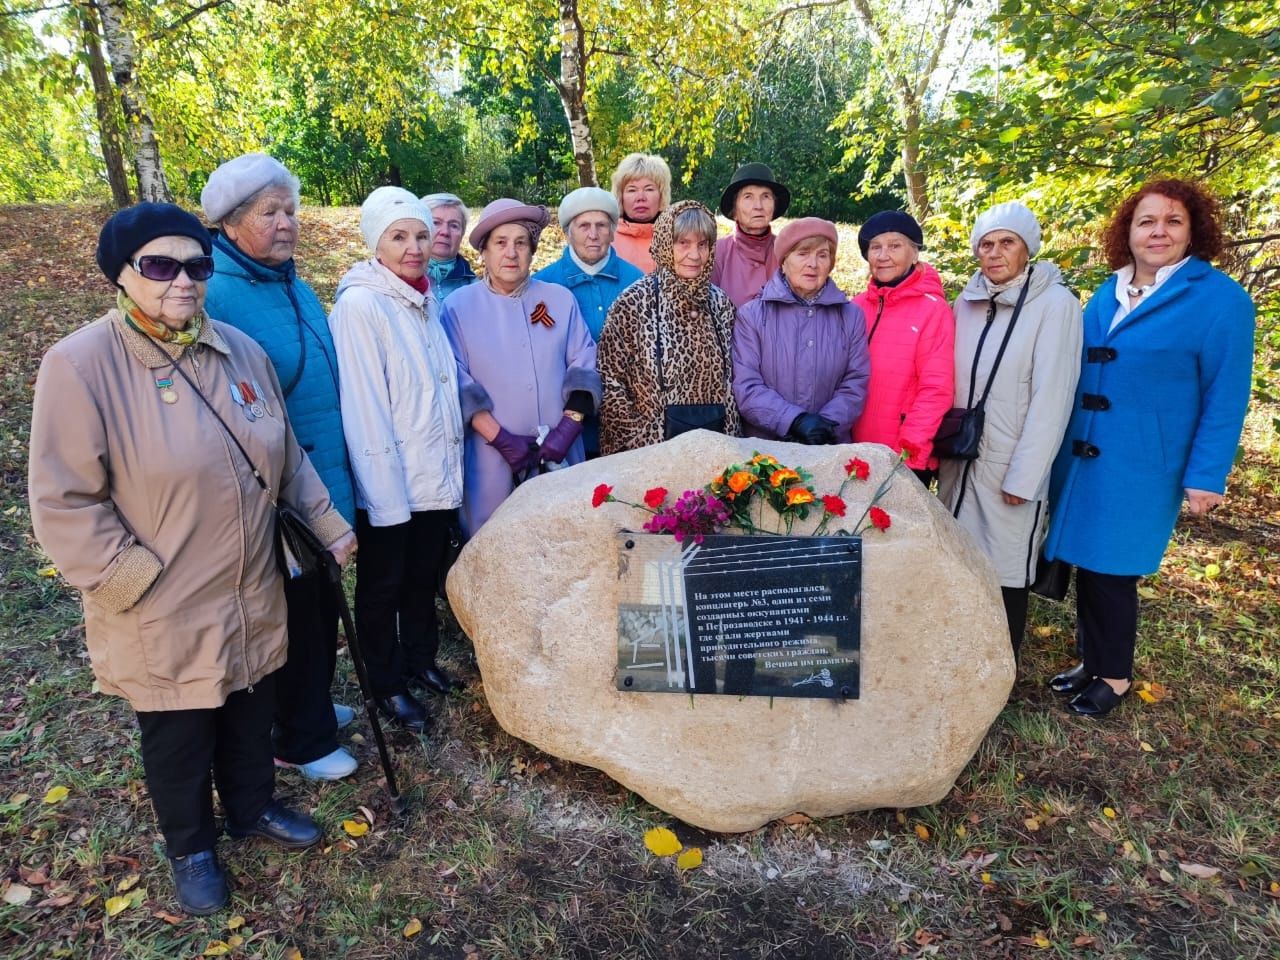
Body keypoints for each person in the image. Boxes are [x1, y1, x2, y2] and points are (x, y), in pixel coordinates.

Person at [28, 203, 355, 916]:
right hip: (162, 599)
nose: (182, 280)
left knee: (250, 705)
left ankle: (251, 807)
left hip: (252, 582)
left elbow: (286, 456)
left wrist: (328, 524)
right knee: (178, 731)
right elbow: (62, 499)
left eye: (196, 265)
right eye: (160, 265)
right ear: (121, 274)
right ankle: (191, 847)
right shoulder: (80, 366)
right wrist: (129, 578)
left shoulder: (240, 351)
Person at [1044, 179, 1254, 717]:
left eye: (1173, 221)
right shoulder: (1107, 289)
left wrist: (1207, 474)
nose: (1159, 231)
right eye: (1147, 221)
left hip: (1144, 462)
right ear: (1129, 231)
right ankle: (1092, 661)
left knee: (1113, 569)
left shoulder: (1221, 300)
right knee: (1086, 561)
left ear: (1193, 230)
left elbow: (1226, 395)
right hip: (1082, 456)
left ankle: (1113, 677)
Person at [200, 152, 358, 783]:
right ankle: (299, 738)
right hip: (275, 485)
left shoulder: (290, 280)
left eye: (290, 210)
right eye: (270, 212)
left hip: (322, 471)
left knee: (320, 602)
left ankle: (309, 707)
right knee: (292, 611)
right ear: (231, 223)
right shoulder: (215, 292)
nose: (287, 223)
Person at [329, 187, 466, 733]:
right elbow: (365, 407)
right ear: (376, 243)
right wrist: (384, 498)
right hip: (391, 479)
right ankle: (384, 683)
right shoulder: (362, 305)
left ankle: (419, 659)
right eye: (399, 237)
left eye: (421, 236)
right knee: (383, 586)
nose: (414, 248)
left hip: (433, 471)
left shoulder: (426, 300)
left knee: (421, 576)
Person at [936, 201, 1082, 656]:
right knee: (958, 563)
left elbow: (1053, 398)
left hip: (1008, 464)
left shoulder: (1055, 305)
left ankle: (1002, 667)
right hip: (960, 458)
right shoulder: (966, 302)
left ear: (1027, 248)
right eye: (986, 244)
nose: (995, 253)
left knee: (1005, 571)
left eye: (1007, 242)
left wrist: (1026, 476)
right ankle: (961, 658)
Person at [441, 198, 601, 533]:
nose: (511, 253)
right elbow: (456, 380)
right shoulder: (457, 308)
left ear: (532, 250)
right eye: (500, 243)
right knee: (494, 542)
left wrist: (568, 429)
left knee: (565, 539)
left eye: (521, 243)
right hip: (490, 458)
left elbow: (584, 363)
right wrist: (500, 438)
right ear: (484, 251)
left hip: (559, 456)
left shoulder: (559, 299)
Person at [598, 199, 741, 453]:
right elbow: (610, 379)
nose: (694, 255)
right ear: (665, 243)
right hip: (651, 452)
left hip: (715, 449)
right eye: (683, 243)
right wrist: (641, 439)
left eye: (702, 244)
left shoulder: (721, 303)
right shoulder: (633, 302)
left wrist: (728, 440)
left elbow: (732, 379)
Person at [733, 218, 870, 442]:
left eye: (822, 255)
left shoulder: (851, 316)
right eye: (803, 253)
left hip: (829, 446)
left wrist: (825, 426)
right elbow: (747, 386)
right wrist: (794, 421)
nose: (813, 264)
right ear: (784, 261)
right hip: (767, 451)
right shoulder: (752, 316)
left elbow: (855, 382)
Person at [534, 186, 643, 457]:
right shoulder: (542, 285)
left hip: (628, 426)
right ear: (568, 231)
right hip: (564, 426)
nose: (593, 234)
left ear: (613, 231)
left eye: (601, 225)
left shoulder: (637, 281)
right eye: (584, 226)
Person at [850, 210, 955, 484]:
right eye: (875, 247)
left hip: (903, 456)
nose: (883, 255)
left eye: (895, 246)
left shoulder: (933, 310)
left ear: (915, 252)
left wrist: (909, 453)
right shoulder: (855, 307)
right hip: (854, 451)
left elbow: (936, 389)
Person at [710, 162, 791, 308]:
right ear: (734, 210)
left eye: (766, 196)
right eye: (748, 197)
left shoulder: (787, 252)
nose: (758, 206)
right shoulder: (717, 253)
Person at [610, 152, 671, 274]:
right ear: (620, 196)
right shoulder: (606, 239)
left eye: (649, 189)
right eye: (632, 190)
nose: (640, 197)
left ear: (662, 195)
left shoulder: (677, 236)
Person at [421, 192, 478, 304]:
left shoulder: (475, 289)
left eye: (454, 225)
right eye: (436, 223)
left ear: (462, 234)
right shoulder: (399, 279)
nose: (445, 232)